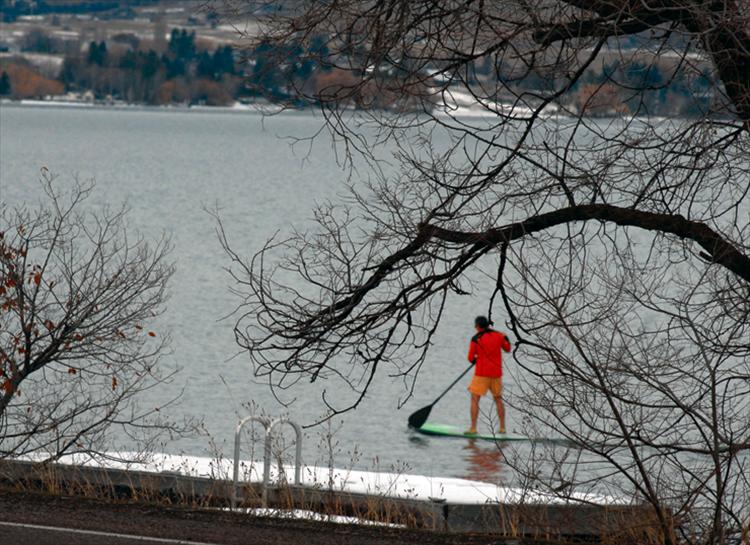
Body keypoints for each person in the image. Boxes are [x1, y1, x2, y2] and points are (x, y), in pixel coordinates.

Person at [465, 316, 511, 435]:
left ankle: (473, 428)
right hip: (496, 374)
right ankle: (502, 428)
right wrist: (506, 337)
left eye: (475, 326)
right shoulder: (499, 335)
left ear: (478, 326)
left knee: (475, 399)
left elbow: (470, 358)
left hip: (481, 374)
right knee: (498, 399)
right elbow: (507, 348)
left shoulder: (476, 338)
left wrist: (475, 359)